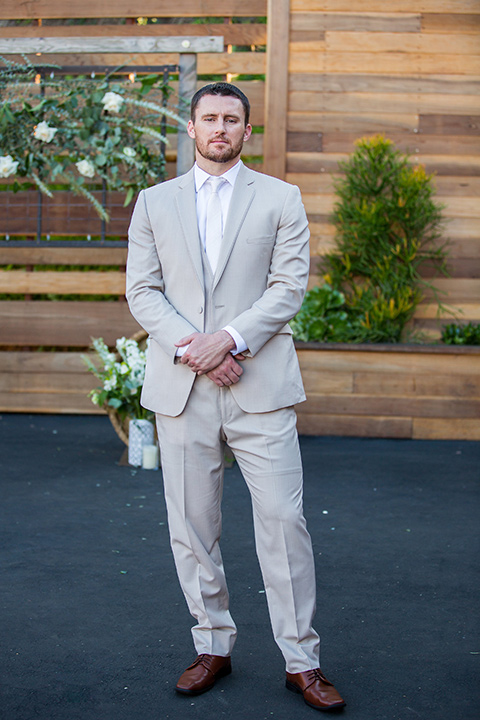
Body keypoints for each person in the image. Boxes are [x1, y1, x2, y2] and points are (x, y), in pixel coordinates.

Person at [126, 82, 345, 712]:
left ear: (247, 131)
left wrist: (228, 341)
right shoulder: (154, 202)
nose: (220, 127)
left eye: (232, 119)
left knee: (284, 522)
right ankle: (212, 645)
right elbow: (143, 291)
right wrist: (197, 350)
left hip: (262, 387)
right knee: (193, 527)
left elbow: (289, 287)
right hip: (183, 387)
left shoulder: (281, 198)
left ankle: (301, 660)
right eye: (209, 118)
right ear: (190, 129)